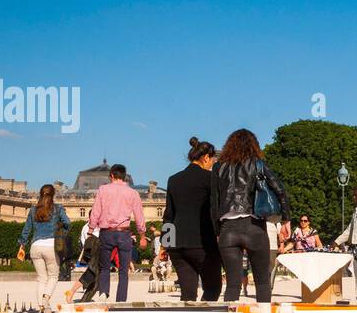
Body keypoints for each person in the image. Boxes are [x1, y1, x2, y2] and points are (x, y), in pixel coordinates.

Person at [211, 129, 291, 303]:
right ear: (254, 145)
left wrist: (218, 231)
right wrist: (286, 219)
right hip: (253, 225)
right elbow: (280, 190)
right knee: (262, 282)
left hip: (228, 228)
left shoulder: (218, 167)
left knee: (232, 285)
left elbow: (213, 203)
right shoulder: (258, 163)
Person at [163, 137, 222, 302]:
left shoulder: (173, 179)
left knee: (187, 294)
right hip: (202, 242)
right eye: (212, 160)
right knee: (212, 288)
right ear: (205, 158)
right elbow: (214, 210)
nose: (212, 164)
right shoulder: (210, 179)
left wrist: (165, 243)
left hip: (177, 245)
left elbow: (169, 214)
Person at [89, 163, 149, 303]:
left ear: (111, 175)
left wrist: (91, 230)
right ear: (124, 177)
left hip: (106, 233)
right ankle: (121, 301)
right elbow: (139, 216)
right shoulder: (132, 193)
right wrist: (142, 235)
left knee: (104, 268)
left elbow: (96, 211)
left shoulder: (103, 190)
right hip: (124, 234)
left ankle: (103, 293)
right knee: (123, 270)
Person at [16, 183, 71, 313]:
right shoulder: (57, 209)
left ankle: (42, 308)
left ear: (40, 194)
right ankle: (46, 298)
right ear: (53, 195)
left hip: (35, 247)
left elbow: (27, 229)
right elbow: (68, 223)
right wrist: (61, 233)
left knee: (41, 279)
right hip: (51, 246)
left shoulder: (33, 210)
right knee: (53, 276)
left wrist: (22, 245)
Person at [65, 224, 101, 304]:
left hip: (95, 249)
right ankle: (72, 292)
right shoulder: (88, 227)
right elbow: (86, 241)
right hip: (94, 249)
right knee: (92, 273)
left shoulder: (89, 227)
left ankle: (85, 299)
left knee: (96, 278)